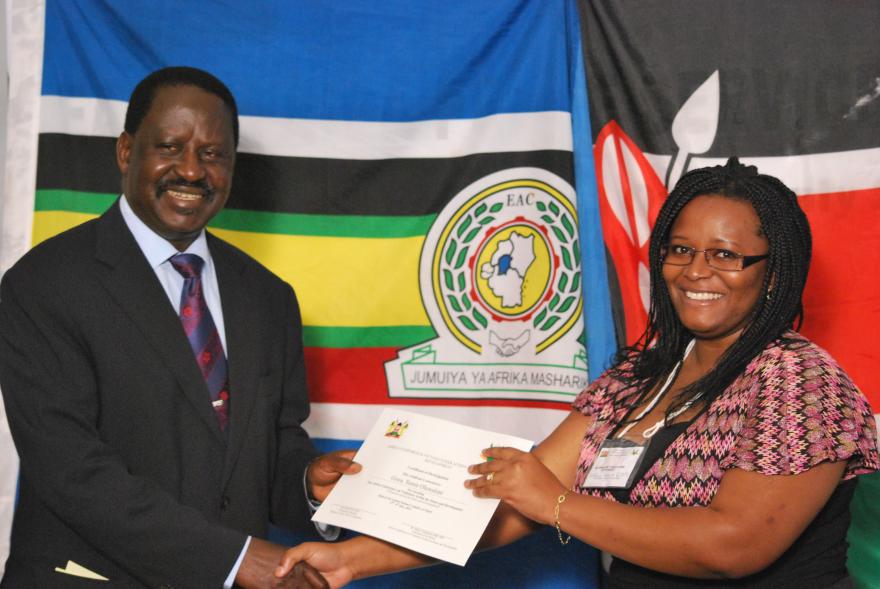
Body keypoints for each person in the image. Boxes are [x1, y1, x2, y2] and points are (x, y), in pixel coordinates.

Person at [278, 159, 879, 587]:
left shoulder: (801, 383)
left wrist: (558, 504)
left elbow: (733, 545)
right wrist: (353, 560)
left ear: (773, 274)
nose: (696, 271)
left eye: (725, 254)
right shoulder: (638, 378)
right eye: (680, 249)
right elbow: (514, 505)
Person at [0, 66, 358, 588]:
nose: (191, 171)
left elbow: (270, 447)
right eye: (170, 147)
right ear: (127, 151)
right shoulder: (44, 283)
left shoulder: (268, 297)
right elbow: (70, 470)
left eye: (213, 154)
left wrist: (307, 482)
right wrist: (235, 559)